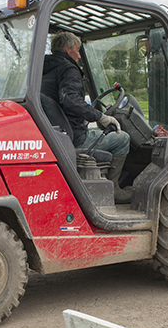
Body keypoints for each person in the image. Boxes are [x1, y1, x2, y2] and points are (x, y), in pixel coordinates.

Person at [41, 31, 132, 203]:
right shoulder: (68, 69)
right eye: (77, 50)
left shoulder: (43, 69)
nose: (79, 56)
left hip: (56, 134)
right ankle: (115, 190)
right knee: (123, 139)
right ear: (68, 49)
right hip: (75, 137)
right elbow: (70, 100)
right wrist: (100, 117)